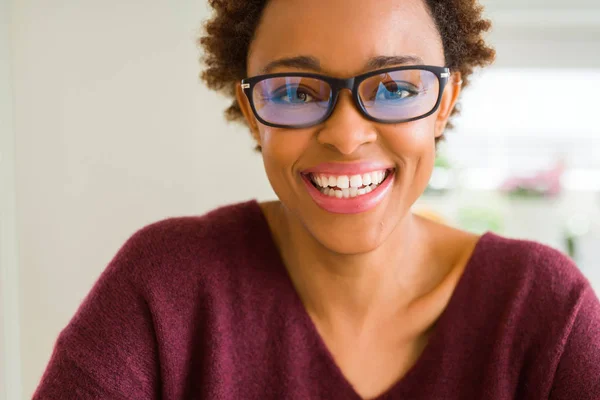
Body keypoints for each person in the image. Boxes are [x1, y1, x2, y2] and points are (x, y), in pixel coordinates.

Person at [34, 0, 600, 399]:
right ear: (254, 112)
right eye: (295, 92)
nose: (347, 136)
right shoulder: (164, 285)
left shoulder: (544, 310)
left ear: (445, 102)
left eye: (397, 87)